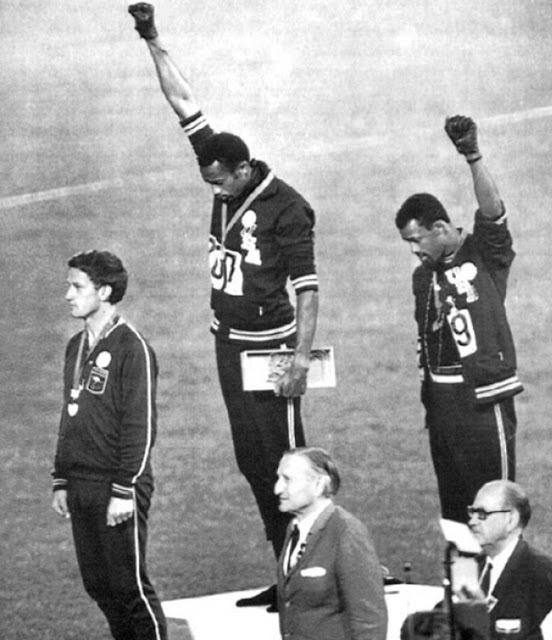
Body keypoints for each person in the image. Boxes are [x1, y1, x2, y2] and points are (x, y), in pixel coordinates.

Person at [128, 3, 319, 609]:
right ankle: (285, 572)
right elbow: (183, 102)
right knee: (251, 459)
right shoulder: (220, 162)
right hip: (228, 343)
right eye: (208, 180)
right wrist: (153, 38)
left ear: (243, 169)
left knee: (290, 464)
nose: (213, 188)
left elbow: (308, 289)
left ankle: (312, 577)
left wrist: (300, 358)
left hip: (270, 349)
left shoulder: (289, 207)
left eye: (220, 182)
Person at [395, 115, 523, 524]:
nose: (414, 251)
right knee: (455, 512)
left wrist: (472, 156)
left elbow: (493, 211)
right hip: (441, 405)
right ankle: (463, 590)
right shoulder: (422, 278)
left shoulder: (483, 253)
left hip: (482, 400)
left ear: (439, 228)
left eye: (416, 240)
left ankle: (501, 588)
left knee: (495, 505)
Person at [51, 250, 167, 640]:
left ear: (104, 291)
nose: (68, 294)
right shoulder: (75, 346)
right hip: (81, 483)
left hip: (117, 487)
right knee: (99, 586)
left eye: (77, 286)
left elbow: (141, 426)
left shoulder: (132, 348)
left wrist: (124, 489)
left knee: (129, 588)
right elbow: (70, 415)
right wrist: (61, 479)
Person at [274, 447, 388, 640]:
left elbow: (369, 620)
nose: (277, 489)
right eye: (278, 478)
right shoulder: (294, 529)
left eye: (287, 479)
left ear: (319, 485)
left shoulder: (347, 533)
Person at [464, 480, 552, 639]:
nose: (472, 522)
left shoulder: (542, 574)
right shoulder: (470, 567)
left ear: (511, 520)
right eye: (472, 513)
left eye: (482, 514)